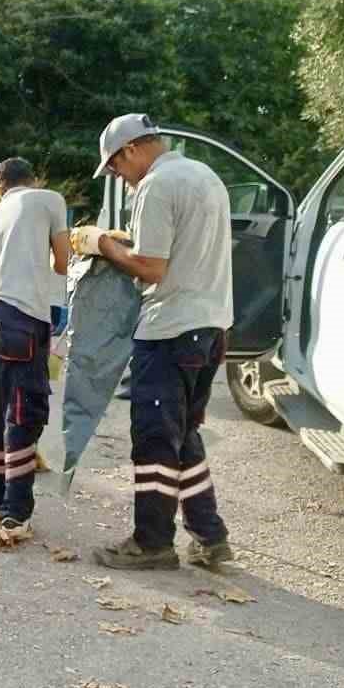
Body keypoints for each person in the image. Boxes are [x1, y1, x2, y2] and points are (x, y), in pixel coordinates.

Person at [74, 113, 235, 570]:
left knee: (155, 440)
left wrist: (102, 243)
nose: (117, 177)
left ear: (130, 151)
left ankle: (152, 543)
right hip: (211, 327)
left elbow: (150, 267)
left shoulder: (157, 186)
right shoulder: (204, 176)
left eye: (114, 168)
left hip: (170, 330)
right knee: (184, 436)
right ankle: (210, 538)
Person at [0, 158, 70, 529]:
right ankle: (16, 512)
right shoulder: (49, 200)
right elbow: (63, 262)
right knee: (22, 412)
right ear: (35, 180)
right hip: (21, 317)